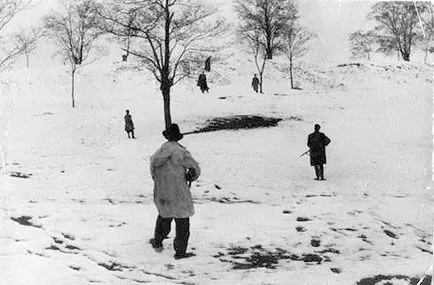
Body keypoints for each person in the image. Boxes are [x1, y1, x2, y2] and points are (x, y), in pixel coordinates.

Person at [149, 123, 201, 259]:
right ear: (178, 137)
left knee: (164, 216)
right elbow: (195, 168)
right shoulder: (181, 152)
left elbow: (152, 169)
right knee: (182, 221)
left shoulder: (159, 152)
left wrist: (159, 182)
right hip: (178, 191)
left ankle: (157, 241)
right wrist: (191, 176)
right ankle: (180, 252)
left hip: (162, 191)